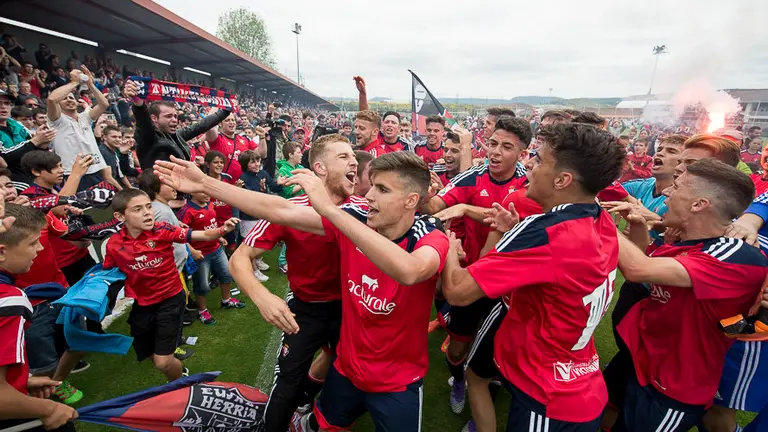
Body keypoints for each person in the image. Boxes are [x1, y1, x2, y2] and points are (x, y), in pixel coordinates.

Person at [154, 151, 449, 432]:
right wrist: (206, 183)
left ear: (411, 200)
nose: (369, 195)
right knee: (322, 417)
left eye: (382, 190)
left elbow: (410, 271)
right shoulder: (351, 216)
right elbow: (278, 209)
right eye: (371, 186)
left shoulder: (428, 234)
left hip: (398, 381)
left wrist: (331, 213)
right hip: (345, 368)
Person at [441, 122, 626, 432]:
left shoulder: (545, 232)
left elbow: (458, 292)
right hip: (581, 381)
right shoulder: (600, 219)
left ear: (563, 179)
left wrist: (448, 247)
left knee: (477, 374)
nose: (530, 164)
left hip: (547, 396)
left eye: (539, 160)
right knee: (478, 373)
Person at [604, 159, 767, 432]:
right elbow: (649, 264)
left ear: (699, 204)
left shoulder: (733, 254)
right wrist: (638, 226)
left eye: (677, 186)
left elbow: (637, 269)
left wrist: (593, 215)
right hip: (648, 366)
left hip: (674, 389)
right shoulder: (687, 240)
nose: (667, 192)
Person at [231, 134, 364, 432]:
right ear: (319, 168)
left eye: (353, 156)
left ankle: (313, 411)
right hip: (305, 310)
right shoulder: (290, 209)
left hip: (354, 309)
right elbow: (239, 257)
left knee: (355, 378)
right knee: (287, 386)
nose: (353, 161)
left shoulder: (365, 208)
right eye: (343, 157)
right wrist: (261, 295)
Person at [421, 116, 531, 414]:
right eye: (493, 143)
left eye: (506, 147)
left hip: (511, 285)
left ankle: (489, 381)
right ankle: (458, 380)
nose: (495, 152)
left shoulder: (529, 183)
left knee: (501, 348)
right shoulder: (472, 176)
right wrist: (421, 192)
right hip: (472, 275)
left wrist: (469, 208)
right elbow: (435, 207)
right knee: (458, 347)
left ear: (522, 153)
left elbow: (526, 222)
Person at [103, 189, 236, 381]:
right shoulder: (114, 244)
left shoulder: (163, 230)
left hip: (171, 299)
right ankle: (177, 373)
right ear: (120, 216)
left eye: (148, 207)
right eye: (138, 209)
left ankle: (180, 384)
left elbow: (202, 235)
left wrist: (222, 230)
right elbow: (108, 271)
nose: (147, 212)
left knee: (163, 362)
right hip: (142, 304)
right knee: (147, 351)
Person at [0, 201, 79, 432]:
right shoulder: (9, 300)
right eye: (33, 243)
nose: (41, 248)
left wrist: (22, 381)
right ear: (2, 251)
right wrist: (49, 410)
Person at [122, 80, 231, 170]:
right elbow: (143, 121)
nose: (174, 120)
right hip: (159, 191)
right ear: (154, 118)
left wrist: (226, 109)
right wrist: (138, 103)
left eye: (175, 116)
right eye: (168, 116)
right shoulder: (148, 137)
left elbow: (202, 125)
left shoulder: (177, 135)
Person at [177, 189, 244, 325]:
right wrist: (192, 251)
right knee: (202, 284)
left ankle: (226, 299)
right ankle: (202, 311)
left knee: (226, 274)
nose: (207, 194)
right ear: (192, 193)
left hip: (216, 249)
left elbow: (211, 225)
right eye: (202, 192)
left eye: (207, 191)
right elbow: (180, 235)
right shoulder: (187, 211)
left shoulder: (210, 204)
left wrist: (219, 238)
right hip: (201, 254)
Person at [46, 66, 119, 191]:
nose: (69, 100)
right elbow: (52, 99)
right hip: (72, 173)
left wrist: (90, 84)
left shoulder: (85, 117)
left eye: (71, 97)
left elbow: (104, 104)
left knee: (101, 208)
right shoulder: (56, 120)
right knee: (79, 209)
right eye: (64, 98)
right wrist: (74, 82)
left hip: (95, 170)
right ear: (59, 104)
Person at [205, 112, 264, 182]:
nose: (231, 122)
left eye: (233, 120)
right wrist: (216, 108)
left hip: (244, 184)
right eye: (227, 120)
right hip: (224, 184)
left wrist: (262, 137)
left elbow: (262, 154)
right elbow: (208, 125)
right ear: (220, 124)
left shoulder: (245, 139)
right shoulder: (217, 138)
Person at [98, 125, 131, 190]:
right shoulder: (103, 152)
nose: (118, 139)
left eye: (120, 137)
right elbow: (107, 177)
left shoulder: (113, 150)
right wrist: (122, 190)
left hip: (116, 186)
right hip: (107, 189)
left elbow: (120, 173)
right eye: (114, 137)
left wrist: (130, 187)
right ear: (104, 137)